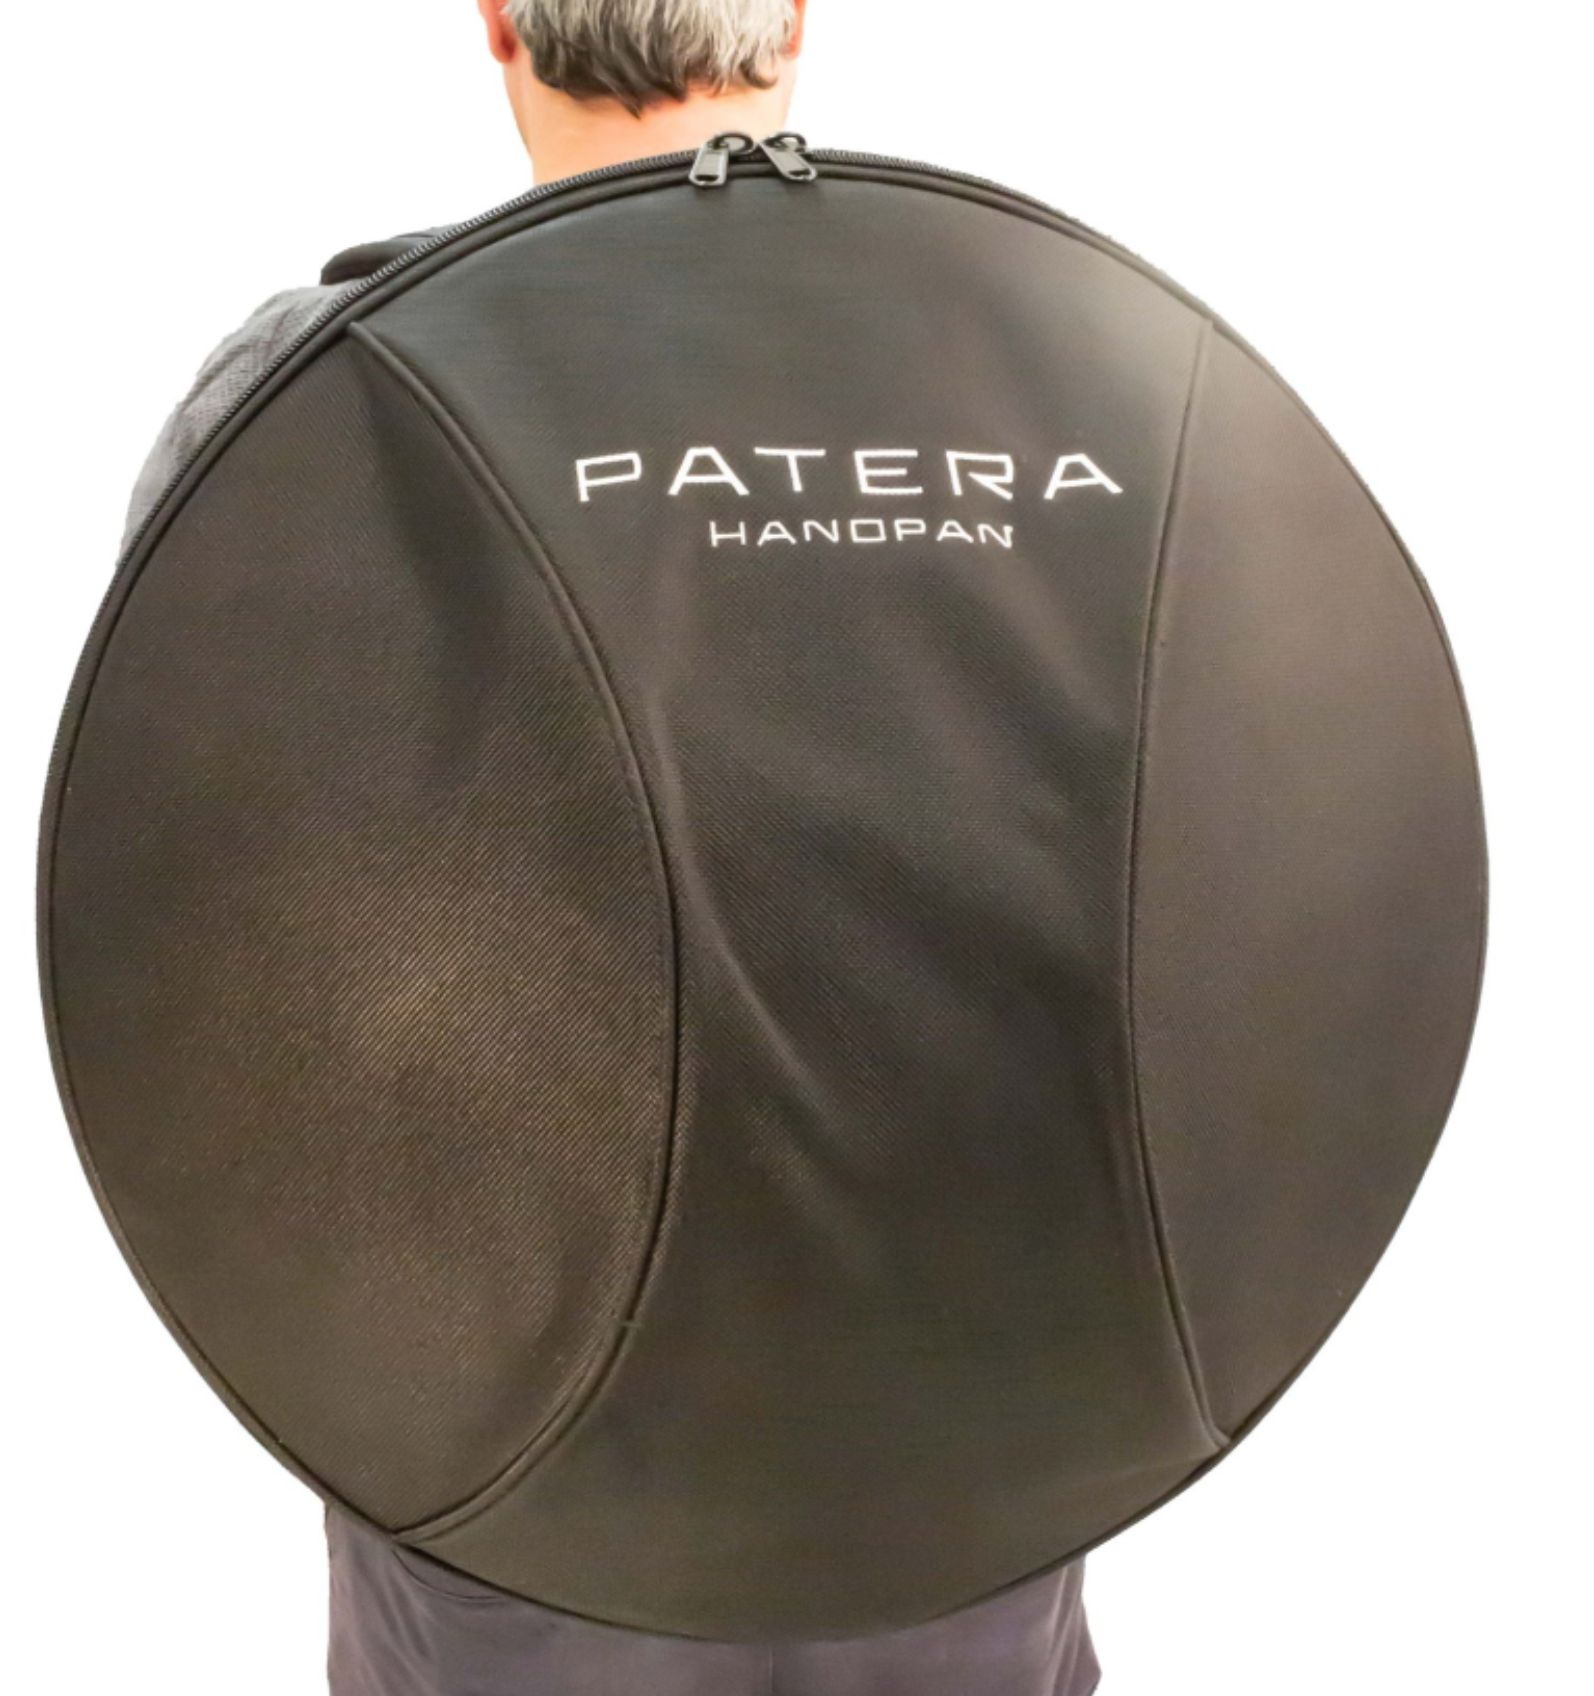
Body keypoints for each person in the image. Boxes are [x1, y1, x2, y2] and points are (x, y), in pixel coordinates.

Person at [123, 5, 1102, 1692]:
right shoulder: (1054, 356)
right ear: (790, 18)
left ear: (501, 21)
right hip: (982, 1365)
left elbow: (191, 885)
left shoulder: (316, 390)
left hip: (498, 1385)